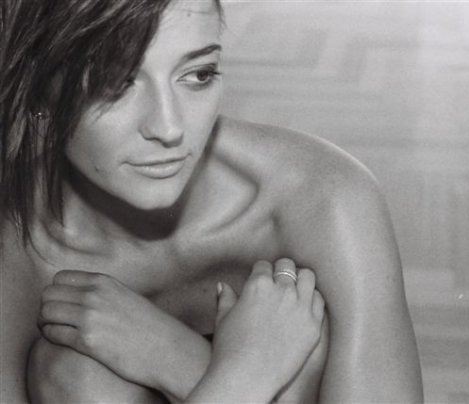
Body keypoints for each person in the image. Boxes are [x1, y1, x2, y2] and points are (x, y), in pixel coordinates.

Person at [0, 0, 423, 402]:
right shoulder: (14, 246)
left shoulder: (321, 197)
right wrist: (247, 376)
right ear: (38, 90)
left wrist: (177, 360)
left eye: (198, 74)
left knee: (310, 349)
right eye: (115, 84)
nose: (169, 127)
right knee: (73, 375)